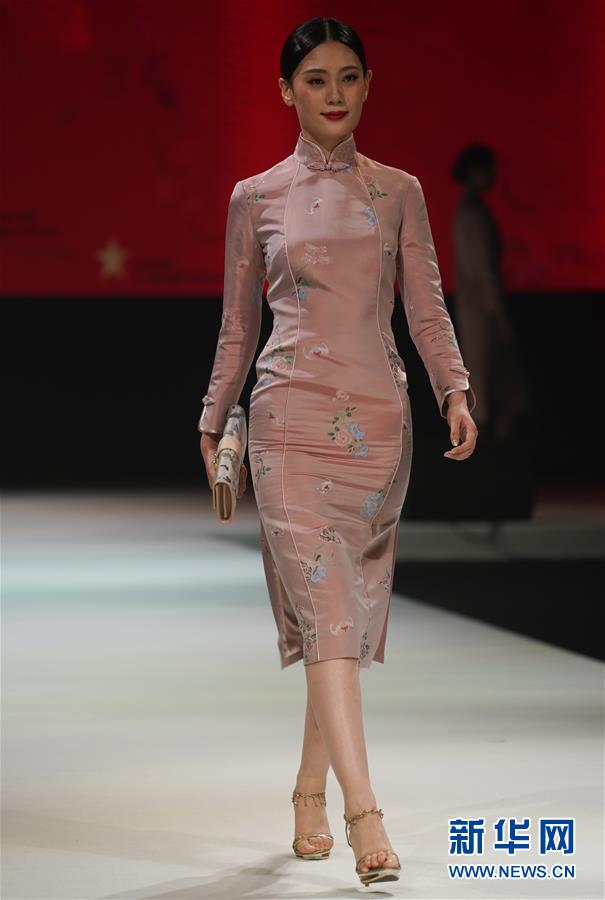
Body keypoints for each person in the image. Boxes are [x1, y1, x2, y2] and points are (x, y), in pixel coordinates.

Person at [198, 17, 478, 887]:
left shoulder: (398, 191)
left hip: (377, 428)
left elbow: (424, 305)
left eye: (348, 77)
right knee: (328, 611)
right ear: (285, 91)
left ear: (366, 85)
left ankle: (308, 790)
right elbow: (238, 324)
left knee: (341, 620)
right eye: (314, 79)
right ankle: (365, 817)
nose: (333, 94)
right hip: (286, 420)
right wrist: (214, 417)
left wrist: (453, 389)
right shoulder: (255, 197)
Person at [451, 144, 531, 441]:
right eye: (487, 169)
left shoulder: (471, 212)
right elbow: (483, 271)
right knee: (486, 379)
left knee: (492, 380)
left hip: (479, 308)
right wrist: (498, 314)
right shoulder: (471, 215)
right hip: (481, 310)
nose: (492, 175)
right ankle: (486, 447)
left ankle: (493, 443)